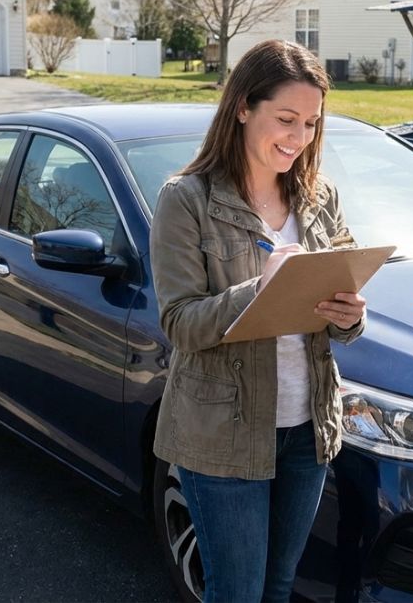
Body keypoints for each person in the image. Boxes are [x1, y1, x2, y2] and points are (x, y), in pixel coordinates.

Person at [149, 38, 367, 602]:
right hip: (222, 432)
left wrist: (349, 316)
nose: (299, 139)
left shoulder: (319, 197)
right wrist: (259, 288)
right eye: (286, 119)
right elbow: (180, 324)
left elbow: (340, 317)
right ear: (243, 106)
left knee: (278, 586)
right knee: (238, 592)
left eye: (312, 123)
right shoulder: (186, 200)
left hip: (307, 426)